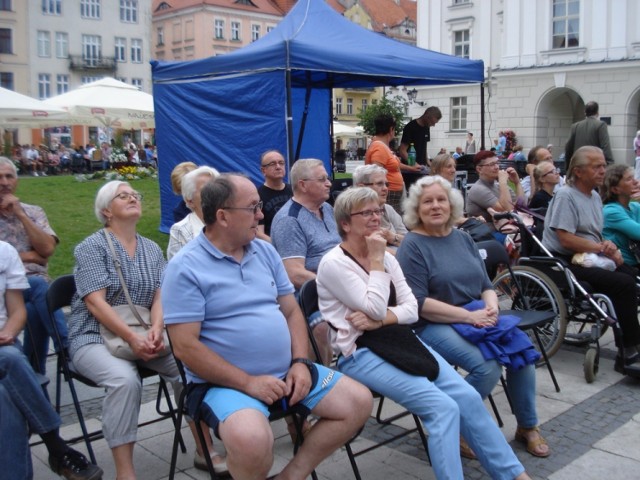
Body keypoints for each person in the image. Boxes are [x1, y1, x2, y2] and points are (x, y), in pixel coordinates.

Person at [161, 174, 372, 480]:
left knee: (357, 402)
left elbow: (291, 311)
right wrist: (248, 382)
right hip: (224, 385)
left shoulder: (264, 251)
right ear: (222, 216)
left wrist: (300, 362)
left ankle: (292, 475)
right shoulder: (185, 267)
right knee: (252, 441)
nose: (261, 215)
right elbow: (185, 347)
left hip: (287, 373)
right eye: (253, 208)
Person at [317, 187, 532, 480]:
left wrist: (380, 321)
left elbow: (410, 310)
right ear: (345, 223)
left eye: (377, 211)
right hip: (360, 353)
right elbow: (377, 306)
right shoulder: (334, 263)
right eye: (366, 213)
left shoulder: (389, 259)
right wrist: (378, 264)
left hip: (399, 339)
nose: (375, 217)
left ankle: (514, 476)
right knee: (442, 409)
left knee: (467, 396)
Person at [67, 181, 224, 478]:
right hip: (94, 336)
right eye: (122, 196)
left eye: (134, 195)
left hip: (144, 333)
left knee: (191, 367)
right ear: (106, 211)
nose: (132, 198)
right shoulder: (91, 246)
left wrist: (155, 328)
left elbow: (160, 295)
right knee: (125, 381)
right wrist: (132, 338)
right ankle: (125, 472)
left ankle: (205, 449)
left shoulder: (150, 248)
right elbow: (95, 304)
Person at [396, 175, 550, 459]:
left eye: (441, 199)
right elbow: (417, 303)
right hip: (431, 323)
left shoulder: (463, 237)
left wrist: (491, 308)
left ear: (451, 204)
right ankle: (452, 427)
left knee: (522, 354)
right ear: (417, 208)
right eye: (427, 201)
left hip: (476, 313)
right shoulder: (413, 245)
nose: (435, 206)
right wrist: (470, 318)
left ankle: (528, 426)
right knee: (487, 367)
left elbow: (485, 286)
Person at [0, 240, 104, 480]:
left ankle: (54, 448)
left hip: (4, 344)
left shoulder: (5, 252)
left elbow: (17, 313)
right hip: (8, 355)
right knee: (12, 359)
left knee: (4, 393)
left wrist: (7, 333)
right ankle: (57, 447)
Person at [543, 146, 640, 371]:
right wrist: (601, 248)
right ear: (578, 171)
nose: (602, 171)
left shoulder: (594, 196)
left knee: (633, 278)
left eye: (604, 166)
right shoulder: (566, 195)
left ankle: (632, 337)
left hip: (590, 254)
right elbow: (566, 239)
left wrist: (607, 246)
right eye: (597, 167)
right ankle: (627, 351)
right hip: (567, 260)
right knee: (624, 285)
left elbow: (595, 233)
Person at [0, 156, 67, 375]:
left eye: (9, 176)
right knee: (38, 288)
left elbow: (46, 251)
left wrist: (20, 214)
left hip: (33, 293)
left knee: (35, 303)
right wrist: (31, 257)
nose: (4, 182)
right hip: (6, 289)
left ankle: (34, 376)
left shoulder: (33, 211)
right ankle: (66, 347)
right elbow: (39, 257)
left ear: (17, 181)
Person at [271, 159, 340, 365]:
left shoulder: (327, 209)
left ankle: (364, 368)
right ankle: (322, 380)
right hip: (309, 295)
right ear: (302, 185)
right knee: (322, 327)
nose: (329, 183)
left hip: (338, 285)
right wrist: (338, 286)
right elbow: (294, 274)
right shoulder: (289, 220)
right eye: (322, 179)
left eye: (327, 178)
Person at [365, 114, 421, 214]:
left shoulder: (383, 146)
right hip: (389, 193)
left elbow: (393, 164)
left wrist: (410, 168)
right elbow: (376, 172)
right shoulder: (379, 147)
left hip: (393, 192)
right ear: (391, 129)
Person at [167, 166, 219, 260]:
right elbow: (180, 270)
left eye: (218, 188)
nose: (214, 193)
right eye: (206, 190)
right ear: (190, 201)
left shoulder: (233, 221)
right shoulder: (181, 231)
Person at [353, 164, 407, 250]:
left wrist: (392, 237)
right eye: (379, 184)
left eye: (386, 184)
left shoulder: (388, 209)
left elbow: (409, 242)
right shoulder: (354, 214)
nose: (385, 188)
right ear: (361, 187)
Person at [466, 150, 525, 227]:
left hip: (506, 230)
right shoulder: (478, 189)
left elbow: (522, 206)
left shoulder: (497, 185)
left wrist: (517, 183)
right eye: (492, 164)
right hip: (486, 235)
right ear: (479, 169)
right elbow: (508, 210)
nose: (497, 167)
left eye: (497, 163)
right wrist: (503, 183)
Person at [601, 164, 640, 267]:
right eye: (629, 179)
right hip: (625, 265)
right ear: (615, 190)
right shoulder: (611, 211)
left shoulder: (635, 206)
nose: (636, 182)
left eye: (634, 177)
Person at [257, 150, 293, 242]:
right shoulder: (257, 196)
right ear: (263, 170)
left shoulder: (295, 191)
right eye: (272, 164)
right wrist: (279, 246)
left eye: (281, 163)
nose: (278, 167)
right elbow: (258, 233)